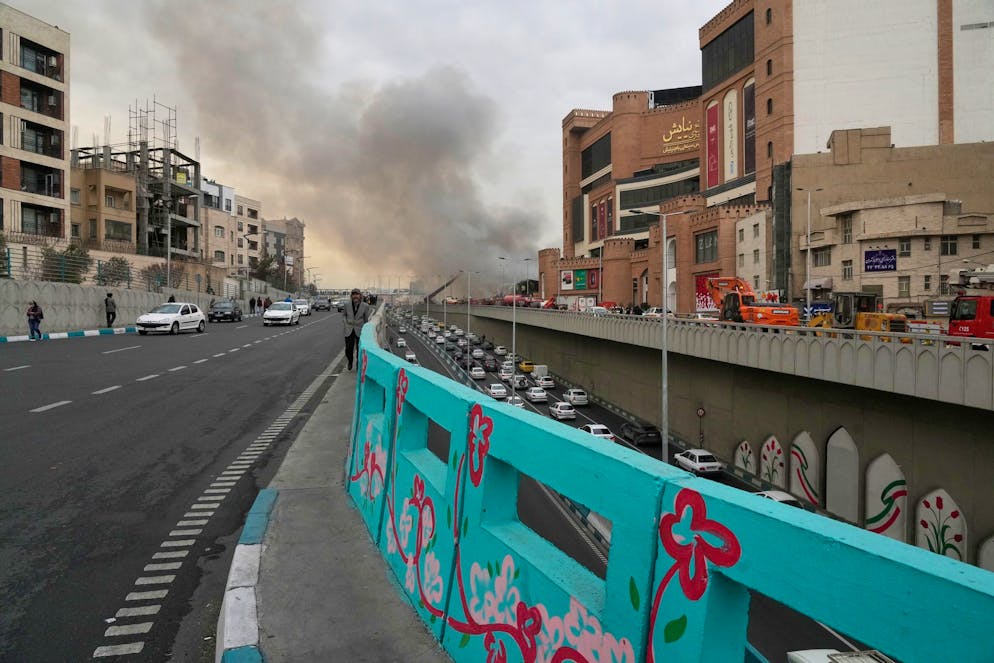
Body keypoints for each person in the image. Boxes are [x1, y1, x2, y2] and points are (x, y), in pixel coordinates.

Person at [343, 288, 372, 371]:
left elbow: (366, 319)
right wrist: (345, 323)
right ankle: (350, 361)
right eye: (353, 294)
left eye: (357, 294)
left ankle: (358, 363)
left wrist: (366, 330)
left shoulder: (365, 306)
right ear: (351, 296)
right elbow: (344, 315)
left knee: (359, 349)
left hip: (360, 329)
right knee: (348, 349)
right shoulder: (346, 305)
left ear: (360, 296)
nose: (355, 296)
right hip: (348, 329)